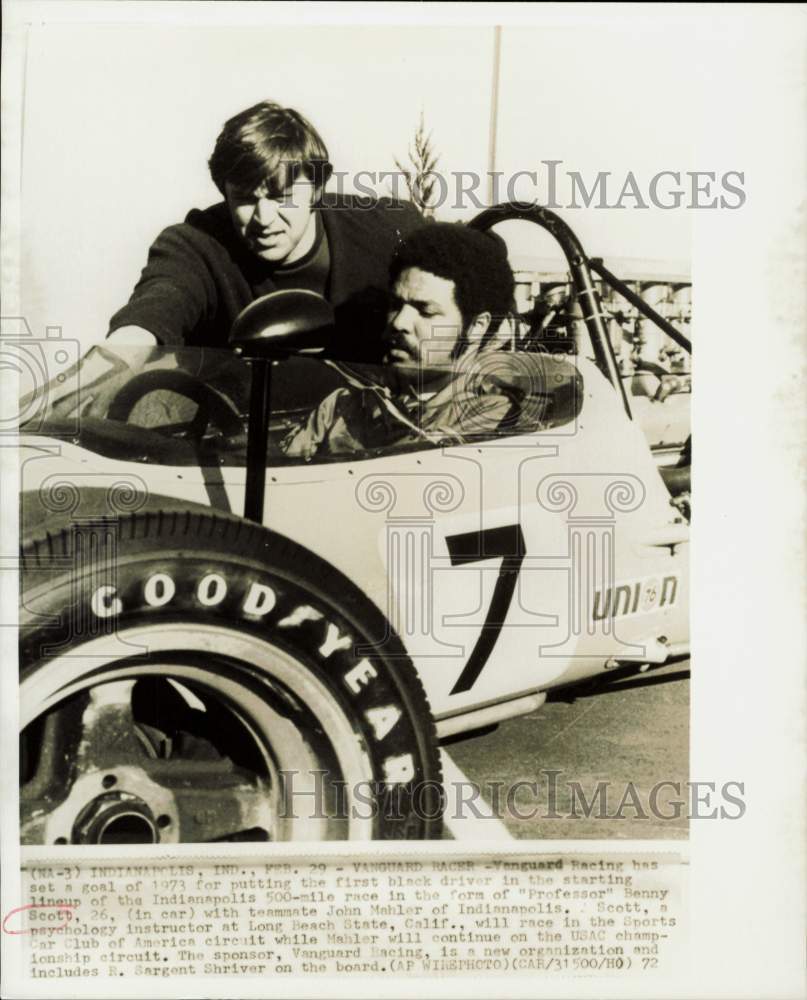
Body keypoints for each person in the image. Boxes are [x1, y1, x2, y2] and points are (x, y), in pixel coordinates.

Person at [107, 101, 421, 358]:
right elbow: (154, 310)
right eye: (245, 199)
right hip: (242, 429)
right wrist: (105, 371)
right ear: (225, 194)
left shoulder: (385, 227)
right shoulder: (196, 245)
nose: (264, 218)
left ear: (315, 190)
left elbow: (461, 265)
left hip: (369, 426)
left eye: (281, 197)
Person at [281, 222, 544, 459]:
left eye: (425, 311)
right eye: (396, 304)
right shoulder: (342, 405)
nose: (398, 322)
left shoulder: (496, 419)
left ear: (477, 326)